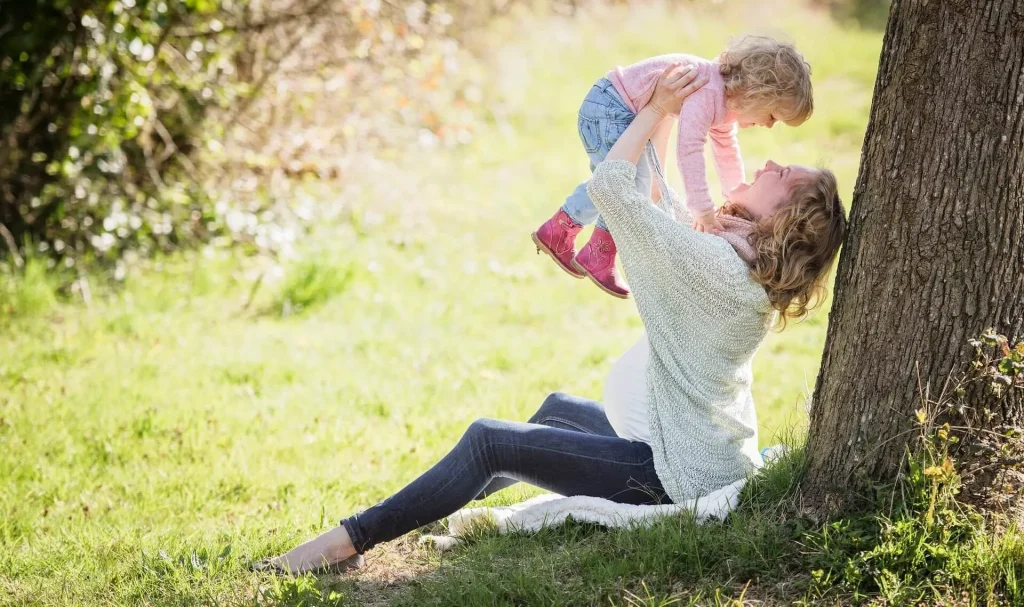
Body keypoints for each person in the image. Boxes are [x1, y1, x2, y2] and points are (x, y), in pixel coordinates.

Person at [255, 63, 846, 575]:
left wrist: (659, 108)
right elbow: (662, 204)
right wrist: (667, 115)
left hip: (671, 473)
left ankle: (348, 541)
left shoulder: (717, 268)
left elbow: (614, 188)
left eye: (785, 176)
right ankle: (423, 506)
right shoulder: (735, 261)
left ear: (786, 220)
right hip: (684, 444)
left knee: (491, 441)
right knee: (555, 411)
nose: (771, 162)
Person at [532, 36, 813, 298]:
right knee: (625, 182)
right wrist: (702, 209)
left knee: (624, 181)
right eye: (773, 115)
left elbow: (726, 150)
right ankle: (594, 250)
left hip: (616, 108)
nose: (768, 125)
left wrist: (735, 193)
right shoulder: (709, 91)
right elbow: (689, 149)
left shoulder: (724, 103)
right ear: (757, 94)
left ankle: (565, 233)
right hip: (609, 108)